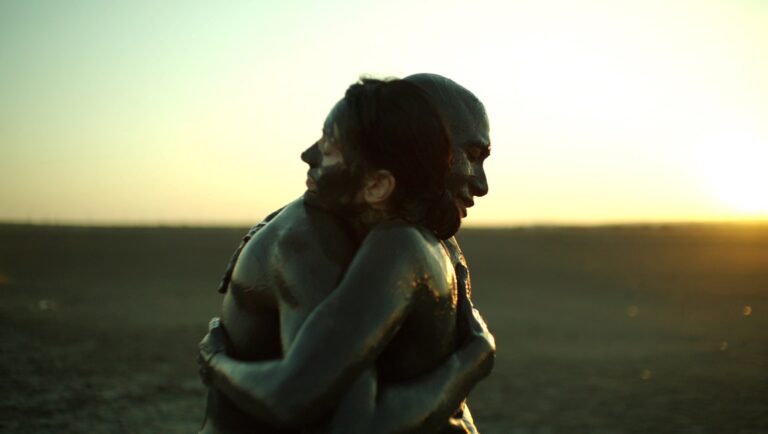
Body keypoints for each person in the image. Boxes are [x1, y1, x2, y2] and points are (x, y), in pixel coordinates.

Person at [199, 75, 494, 434]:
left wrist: (473, 360)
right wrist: (472, 361)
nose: (482, 184)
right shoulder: (311, 245)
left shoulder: (424, 233)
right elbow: (316, 406)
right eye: (473, 155)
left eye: (330, 144)